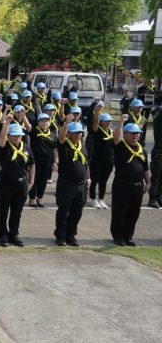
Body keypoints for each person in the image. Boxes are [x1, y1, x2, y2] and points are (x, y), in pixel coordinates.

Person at [0, 116, 35, 247]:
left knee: (17, 211)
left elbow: (32, 164)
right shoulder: (5, 146)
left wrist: (31, 181)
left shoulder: (26, 148)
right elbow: (1, 138)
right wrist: (6, 124)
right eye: (14, 135)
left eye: (19, 135)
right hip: (6, 183)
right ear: (9, 136)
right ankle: (3, 234)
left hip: (21, 184)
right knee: (3, 210)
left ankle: (14, 234)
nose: (17, 138)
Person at [111, 121, 150, 246]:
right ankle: (118, 236)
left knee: (133, 212)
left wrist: (148, 182)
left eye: (137, 134)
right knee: (120, 212)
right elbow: (116, 138)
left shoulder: (141, 149)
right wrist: (121, 122)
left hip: (137, 186)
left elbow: (146, 168)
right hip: (122, 185)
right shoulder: (121, 146)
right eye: (132, 133)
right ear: (126, 134)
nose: (136, 136)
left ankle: (128, 236)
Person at [54, 117, 91, 247]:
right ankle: (60, 236)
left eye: (79, 132)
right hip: (66, 184)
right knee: (63, 211)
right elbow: (61, 137)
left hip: (81, 185)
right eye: (74, 132)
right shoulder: (64, 145)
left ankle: (71, 235)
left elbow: (85, 163)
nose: (77, 135)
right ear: (69, 133)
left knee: (77, 211)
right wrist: (66, 124)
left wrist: (88, 178)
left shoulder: (82, 146)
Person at [88, 106, 117, 209]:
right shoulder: (97, 131)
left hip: (109, 161)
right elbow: (95, 124)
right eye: (106, 121)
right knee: (94, 180)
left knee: (104, 181)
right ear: (101, 122)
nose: (109, 123)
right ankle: (93, 199)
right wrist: (96, 112)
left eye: (110, 121)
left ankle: (101, 199)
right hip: (97, 160)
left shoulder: (111, 132)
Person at [28, 113, 58, 208]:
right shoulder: (34, 131)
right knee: (34, 180)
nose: (44, 123)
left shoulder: (52, 135)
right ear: (38, 123)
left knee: (43, 181)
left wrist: (55, 162)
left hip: (47, 162)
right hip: (35, 162)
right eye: (42, 121)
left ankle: (40, 197)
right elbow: (27, 126)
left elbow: (55, 149)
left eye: (46, 121)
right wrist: (24, 115)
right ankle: (32, 198)